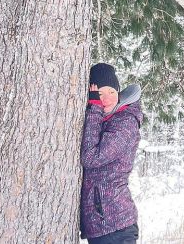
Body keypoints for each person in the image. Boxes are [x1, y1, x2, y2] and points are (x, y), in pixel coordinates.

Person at [80, 63, 143, 244]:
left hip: (116, 225)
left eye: (111, 92)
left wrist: (94, 109)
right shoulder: (108, 119)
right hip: (103, 226)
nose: (106, 99)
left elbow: (90, 158)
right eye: (99, 94)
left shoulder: (125, 122)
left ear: (119, 92)